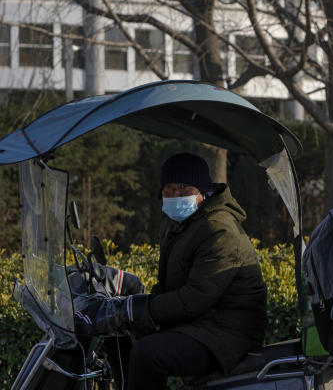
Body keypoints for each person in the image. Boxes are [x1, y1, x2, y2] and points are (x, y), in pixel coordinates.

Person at [88, 152, 267, 389]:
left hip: (227, 332)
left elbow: (195, 298)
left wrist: (139, 309)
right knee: (120, 335)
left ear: (202, 191)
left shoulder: (219, 229)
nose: (174, 194)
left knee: (148, 354)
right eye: (168, 188)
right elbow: (169, 287)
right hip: (200, 324)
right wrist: (131, 311)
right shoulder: (181, 224)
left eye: (183, 187)